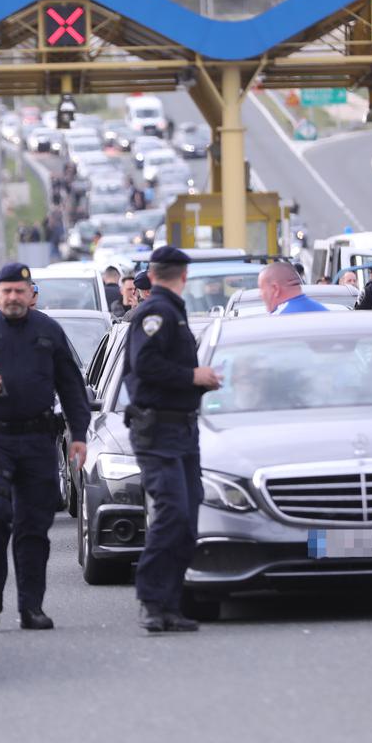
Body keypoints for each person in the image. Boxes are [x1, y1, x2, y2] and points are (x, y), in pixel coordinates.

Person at [0, 263, 91, 630]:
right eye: (6, 290)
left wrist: (79, 435)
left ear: (30, 294)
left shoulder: (49, 330)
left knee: (33, 526)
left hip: (37, 442)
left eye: (19, 291)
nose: (13, 297)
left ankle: (31, 606)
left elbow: (71, 386)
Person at [123, 246, 222, 633]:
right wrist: (191, 377)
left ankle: (170, 603)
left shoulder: (171, 310)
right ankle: (152, 601)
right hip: (158, 429)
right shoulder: (157, 312)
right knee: (172, 514)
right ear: (183, 276)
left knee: (187, 515)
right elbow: (145, 364)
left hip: (181, 427)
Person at [257, 261, 328, 314]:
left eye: (261, 288)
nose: (260, 295)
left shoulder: (277, 321)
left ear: (276, 289)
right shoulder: (325, 312)